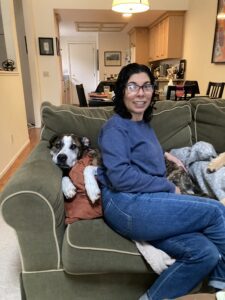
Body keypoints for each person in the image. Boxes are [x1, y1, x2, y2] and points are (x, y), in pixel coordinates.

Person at [97, 63, 225, 300]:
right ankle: (222, 287)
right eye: (133, 86)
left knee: (205, 253)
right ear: (122, 90)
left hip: (149, 202)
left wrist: (165, 154)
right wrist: (168, 186)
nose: (140, 92)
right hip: (126, 203)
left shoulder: (143, 123)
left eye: (146, 86)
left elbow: (140, 155)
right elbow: (121, 176)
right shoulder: (114, 127)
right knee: (217, 211)